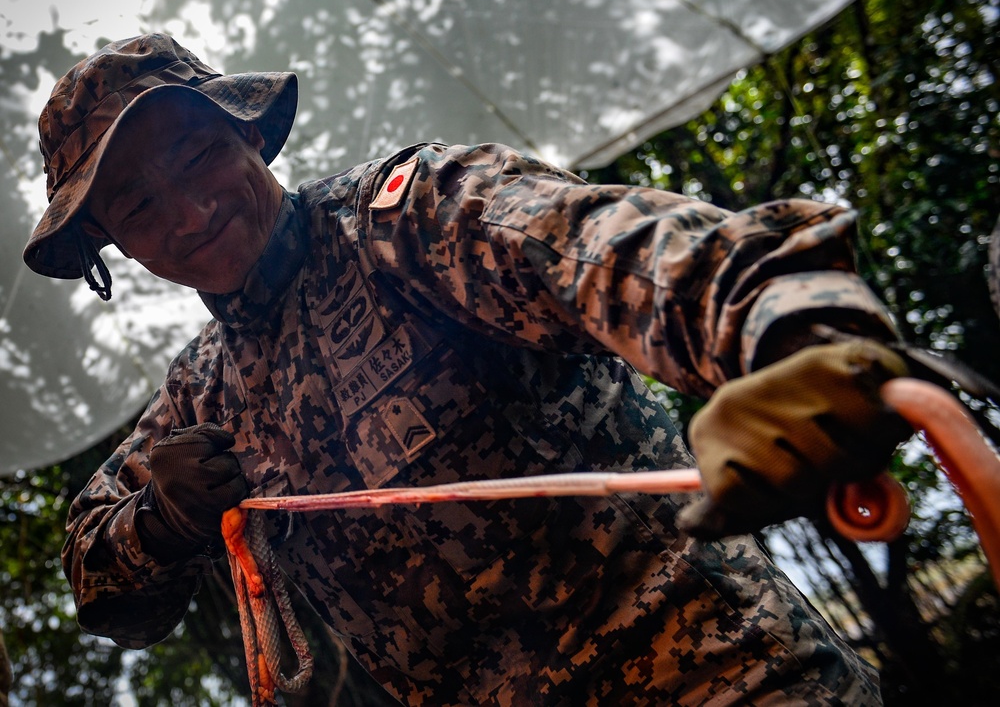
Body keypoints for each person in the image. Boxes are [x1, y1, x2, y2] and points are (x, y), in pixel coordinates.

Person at [25, 34, 909, 705]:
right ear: (114, 248)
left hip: (726, 674)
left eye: (198, 156)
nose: (187, 213)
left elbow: (605, 246)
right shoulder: (200, 395)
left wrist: (786, 323)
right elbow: (102, 588)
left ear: (249, 135)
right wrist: (159, 519)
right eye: (138, 205)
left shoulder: (406, 221)